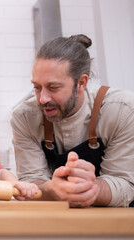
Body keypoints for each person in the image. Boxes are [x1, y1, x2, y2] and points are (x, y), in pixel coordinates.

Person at [11, 34, 134, 207]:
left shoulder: (123, 109)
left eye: (53, 87)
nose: (42, 99)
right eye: (37, 87)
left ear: (81, 83)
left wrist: (88, 188)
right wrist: (52, 190)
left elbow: (125, 184)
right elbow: (31, 183)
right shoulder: (23, 117)